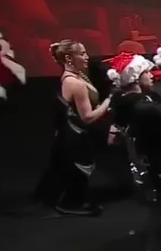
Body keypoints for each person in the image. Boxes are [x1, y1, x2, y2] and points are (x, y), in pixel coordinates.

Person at [35, 40, 112, 216]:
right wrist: (109, 101)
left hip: (72, 133)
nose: (87, 57)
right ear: (69, 58)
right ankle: (70, 204)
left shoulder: (76, 76)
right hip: (75, 136)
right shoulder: (76, 84)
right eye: (82, 54)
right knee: (79, 171)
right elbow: (87, 117)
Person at [104, 52, 161, 178]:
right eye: (147, 72)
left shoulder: (129, 96)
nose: (151, 75)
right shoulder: (138, 106)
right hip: (158, 157)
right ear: (136, 78)